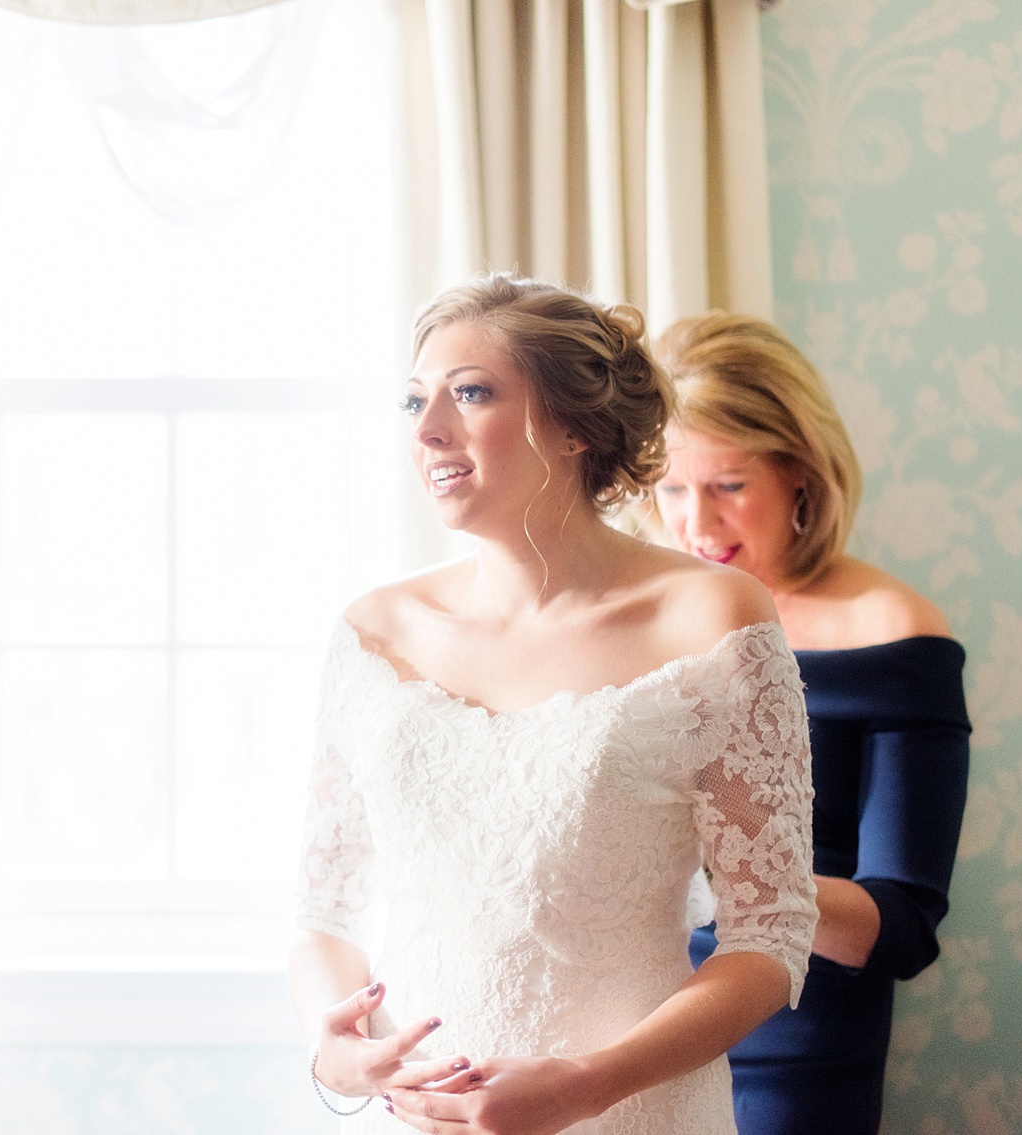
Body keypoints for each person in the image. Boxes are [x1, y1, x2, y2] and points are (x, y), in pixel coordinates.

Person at [289, 274, 819, 1135]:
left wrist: (588, 1083)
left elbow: (770, 934)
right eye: (415, 400)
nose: (427, 430)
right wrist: (331, 1040)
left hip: (631, 1113)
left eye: (470, 392)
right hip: (414, 1115)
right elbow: (323, 915)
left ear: (574, 425)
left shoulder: (714, 620)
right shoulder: (371, 635)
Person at [649, 312, 972, 1135]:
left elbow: (903, 928)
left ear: (800, 472)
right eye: (671, 487)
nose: (698, 524)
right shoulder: (637, 625)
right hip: (625, 1023)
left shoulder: (895, 634)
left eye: (729, 485)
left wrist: (740, 879)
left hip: (796, 1050)